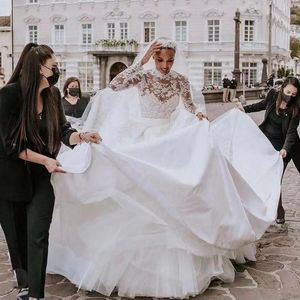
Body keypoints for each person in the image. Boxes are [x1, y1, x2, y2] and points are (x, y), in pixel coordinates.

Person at [47, 39, 283, 298]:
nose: (164, 66)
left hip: (171, 139)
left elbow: (191, 106)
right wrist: (144, 59)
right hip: (143, 137)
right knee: (140, 184)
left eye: (169, 60)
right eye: (160, 60)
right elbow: (114, 86)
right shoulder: (143, 77)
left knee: (183, 184)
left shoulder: (180, 80)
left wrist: (198, 116)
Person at [0, 43, 101, 300]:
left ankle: (35, 294)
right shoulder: (9, 95)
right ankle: (23, 281)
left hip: (43, 177)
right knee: (17, 237)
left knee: (37, 235)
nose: (57, 70)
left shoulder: (53, 95)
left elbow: (63, 131)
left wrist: (82, 136)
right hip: (11, 178)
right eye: (53, 66)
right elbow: (10, 144)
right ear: (37, 68)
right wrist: (44, 159)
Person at [238, 77, 300, 224]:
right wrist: (244, 109)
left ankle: (277, 211)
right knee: (271, 180)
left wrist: (285, 149)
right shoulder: (272, 95)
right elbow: (261, 105)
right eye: (288, 91)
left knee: (276, 179)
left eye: (293, 94)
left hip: (287, 148)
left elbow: (291, 132)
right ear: (282, 88)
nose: (290, 95)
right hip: (267, 145)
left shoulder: (296, 108)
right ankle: (278, 212)